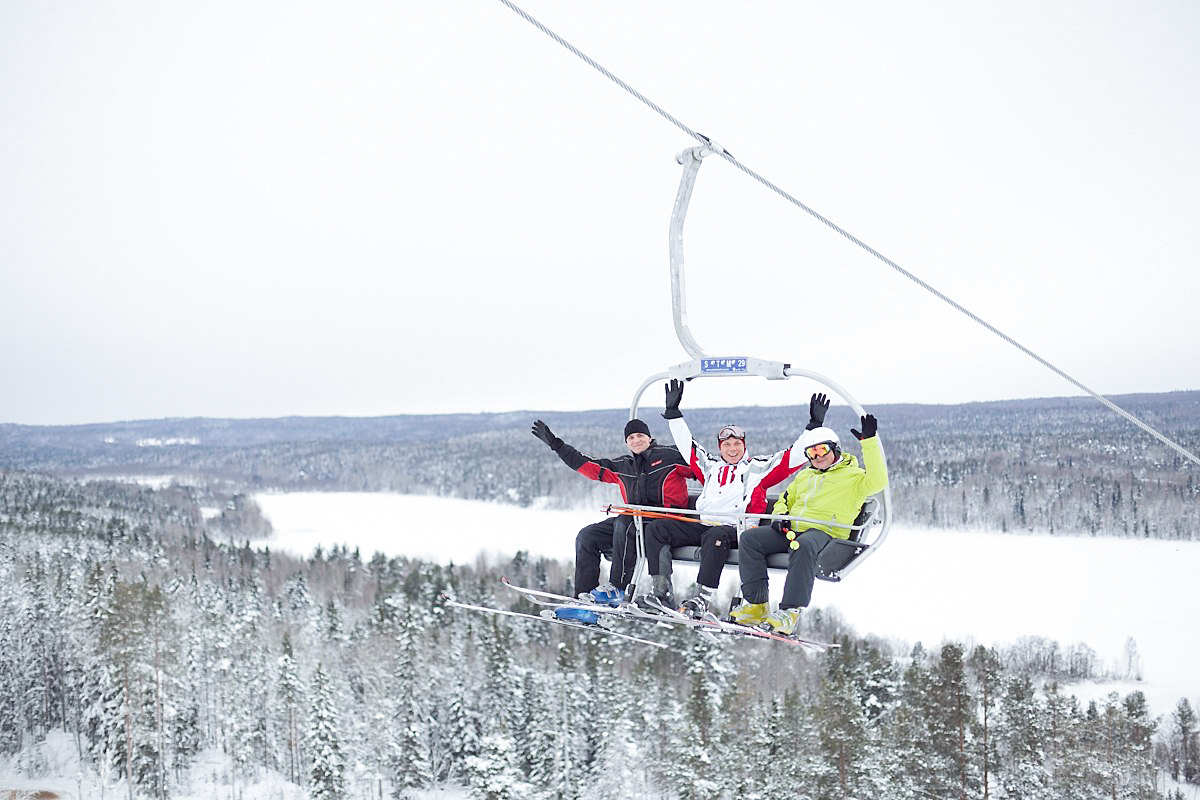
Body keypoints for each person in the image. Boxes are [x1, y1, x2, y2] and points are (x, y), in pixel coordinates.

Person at [633, 379, 818, 616]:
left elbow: (792, 458)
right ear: (720, 447)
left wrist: (813, 426)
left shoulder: (758, 468)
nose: (732, 449)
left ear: (744, 445)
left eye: (737, 444)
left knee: (715, 534)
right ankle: (661, 592)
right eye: (727, 444)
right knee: (657, 528)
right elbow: (688, 446)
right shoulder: (710, 466)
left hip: (735, 530)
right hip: (703, 525)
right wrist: (673, 415)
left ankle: (701, 598)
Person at [727, 411, 889, 636]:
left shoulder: (854, 477)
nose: (817, 457)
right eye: (811, 453)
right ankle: (757, 605)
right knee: (750, 539)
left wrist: (869, 443)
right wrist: (780, 517)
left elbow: (878, 481)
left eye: (822, 450)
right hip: (794, 530)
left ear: (835, 449)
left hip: (826, 533)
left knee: (804, 546)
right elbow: (785, 499)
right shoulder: (804, 477)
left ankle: (790, 612)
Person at [531, 417, 691, 613]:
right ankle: (584, 600)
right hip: (634, 522)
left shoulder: (669, 456)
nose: (636, 440)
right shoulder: (625, 465)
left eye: (640, 435)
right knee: (588, 536)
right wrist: (557, 445)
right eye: (631, 437)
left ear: (649, 437)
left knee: (627, 519)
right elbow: (588, 466)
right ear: (626, 442)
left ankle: (618, 587)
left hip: (667, 522)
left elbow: (701, 468)